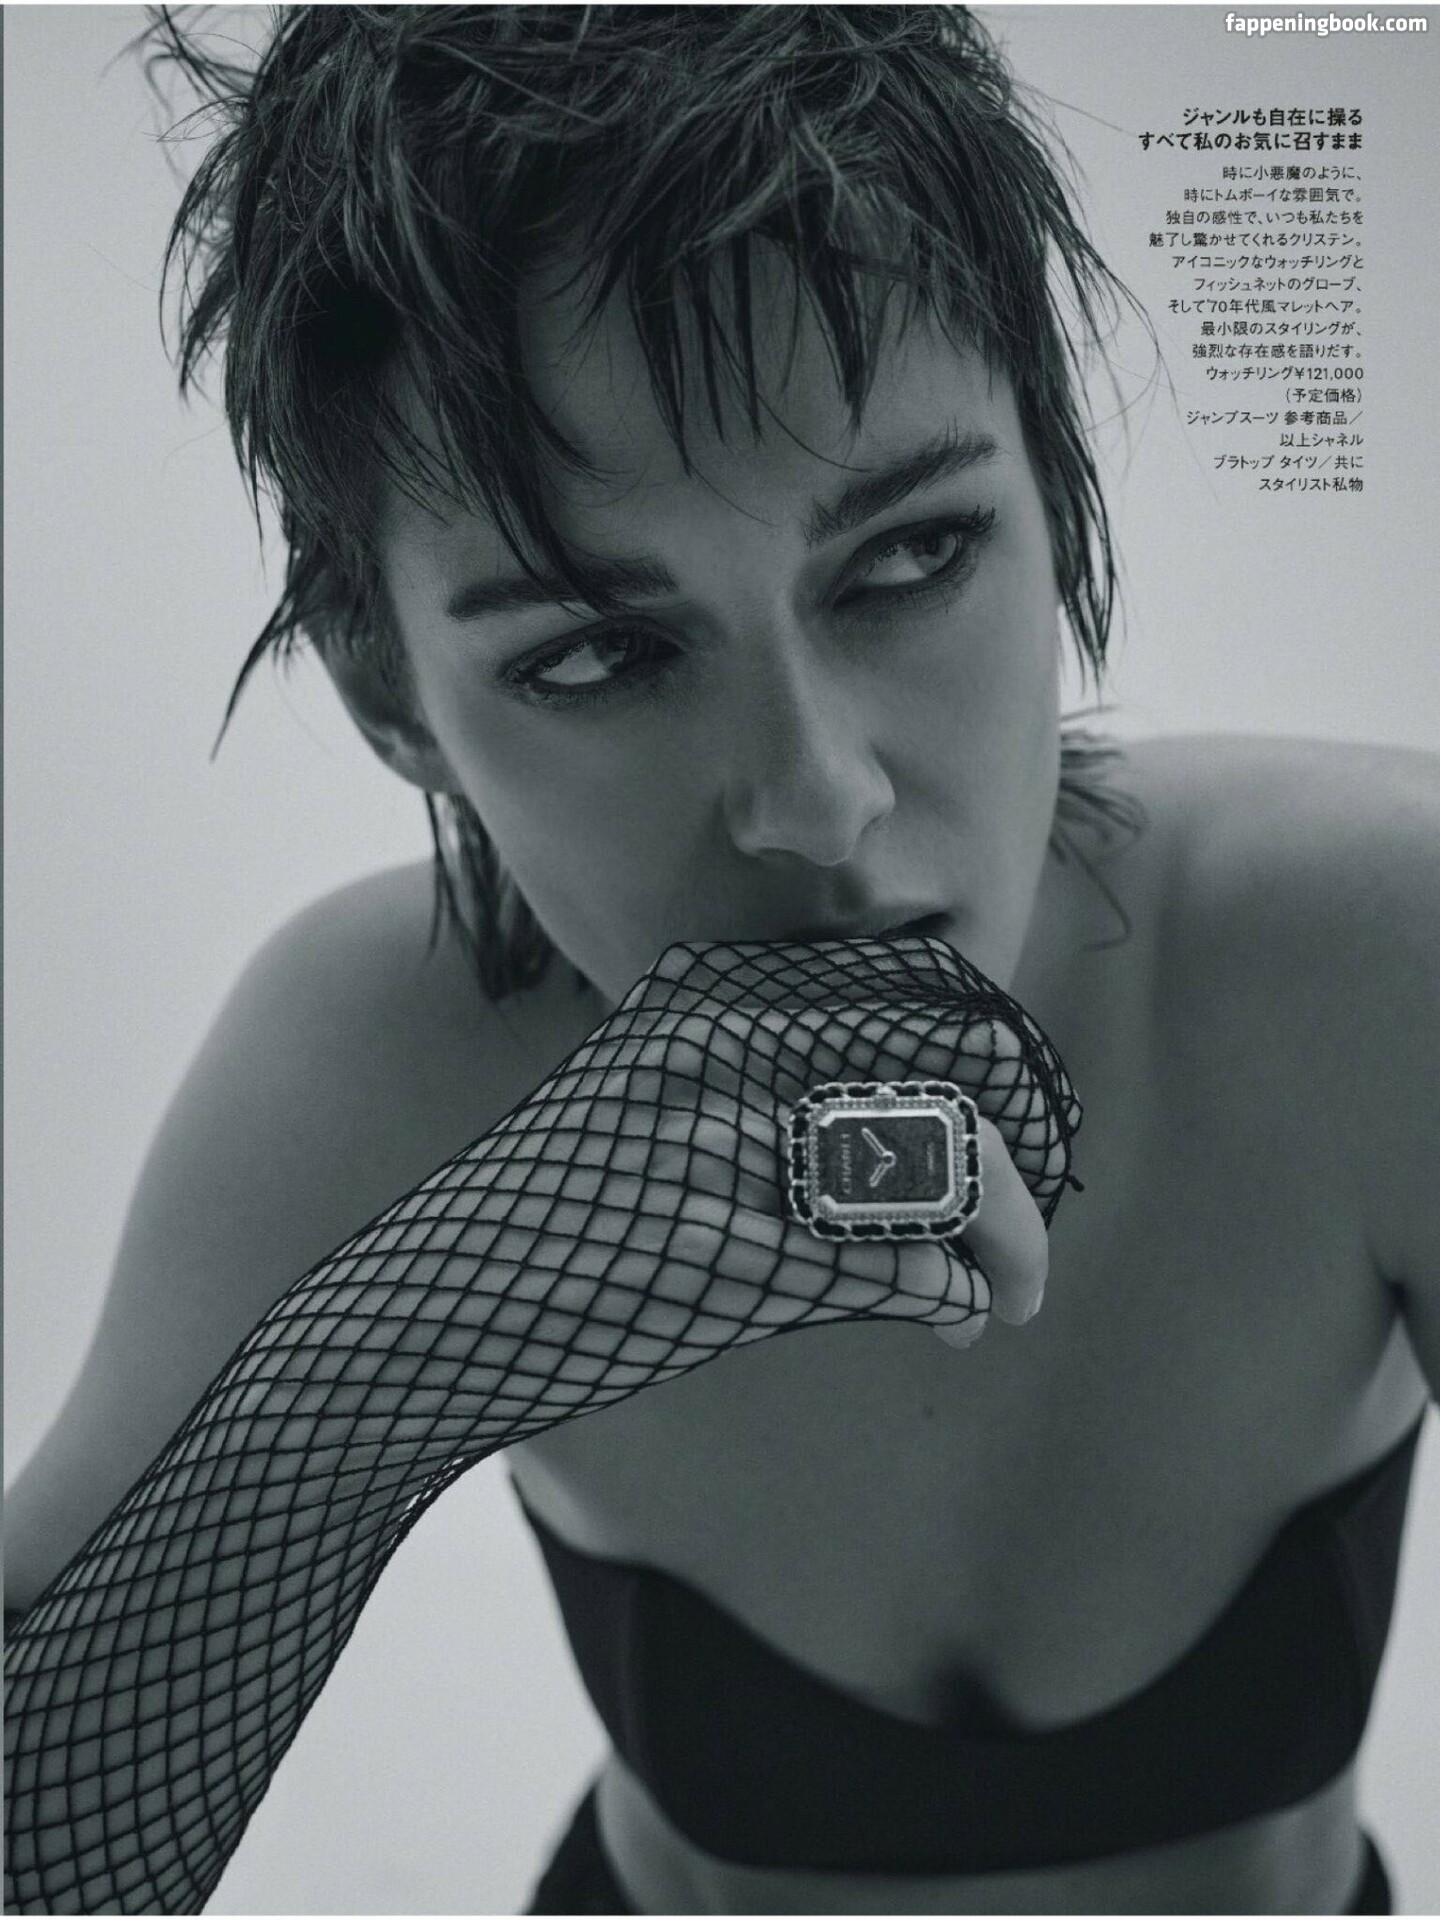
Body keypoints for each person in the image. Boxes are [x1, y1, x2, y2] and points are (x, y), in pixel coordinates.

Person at [5, 6, 1436, 1913]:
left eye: (910, 559)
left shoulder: (1376, 957)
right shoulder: (368, 1072)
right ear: (393, 694)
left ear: (1056, 475)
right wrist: (345, 1394)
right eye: (597, 653)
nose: (820, 801)